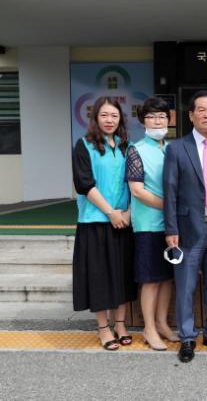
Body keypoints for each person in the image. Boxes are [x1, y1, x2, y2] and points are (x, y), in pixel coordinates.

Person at [163, 90, 207, 363]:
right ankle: (187, 337)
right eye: (201, 110)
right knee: (185, 285)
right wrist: (171, 229)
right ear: (191, 115)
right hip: (187, 229)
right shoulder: (176, 148)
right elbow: (170, 191)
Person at [72, 96, 137, 351]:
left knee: (122, 275)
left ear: (121, 119)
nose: (109, 120)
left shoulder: (126, 146)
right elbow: (84, 184)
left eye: (114, 116)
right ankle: (103, 328)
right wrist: (111, 213)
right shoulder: (84, 145)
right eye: (104, 115)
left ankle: (120, 324)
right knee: (99, 277)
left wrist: (128, 213)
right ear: (95, 118)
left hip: (123, 221)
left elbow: (134, 182)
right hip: (96, 221)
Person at [125, 97, 178, 351]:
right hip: (148, 224)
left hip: (170, 225)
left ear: (169, 120)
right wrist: (169, 207)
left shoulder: (172, 148)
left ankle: (162, 323)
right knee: (151, 279)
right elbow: (137, 190)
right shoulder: (136, 150)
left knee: (167, 278)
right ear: (142, 120)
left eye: (162, 116)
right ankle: (148, 328)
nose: (157, 121)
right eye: (152, 117)